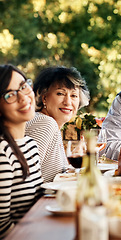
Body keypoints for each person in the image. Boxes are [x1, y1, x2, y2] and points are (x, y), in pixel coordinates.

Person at [25, 66, 90, 182]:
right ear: (43, 97)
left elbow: (48, 171)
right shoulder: (45, 123)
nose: (68, 102)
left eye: (74, 95)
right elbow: (27, 176)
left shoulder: (49, 122)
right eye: (60, 93)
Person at [0, 64, 43, 237]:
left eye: (23, 87)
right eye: (10, 95)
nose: (24, 98)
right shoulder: (2, 152)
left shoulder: (30, 144)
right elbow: (1, 226)